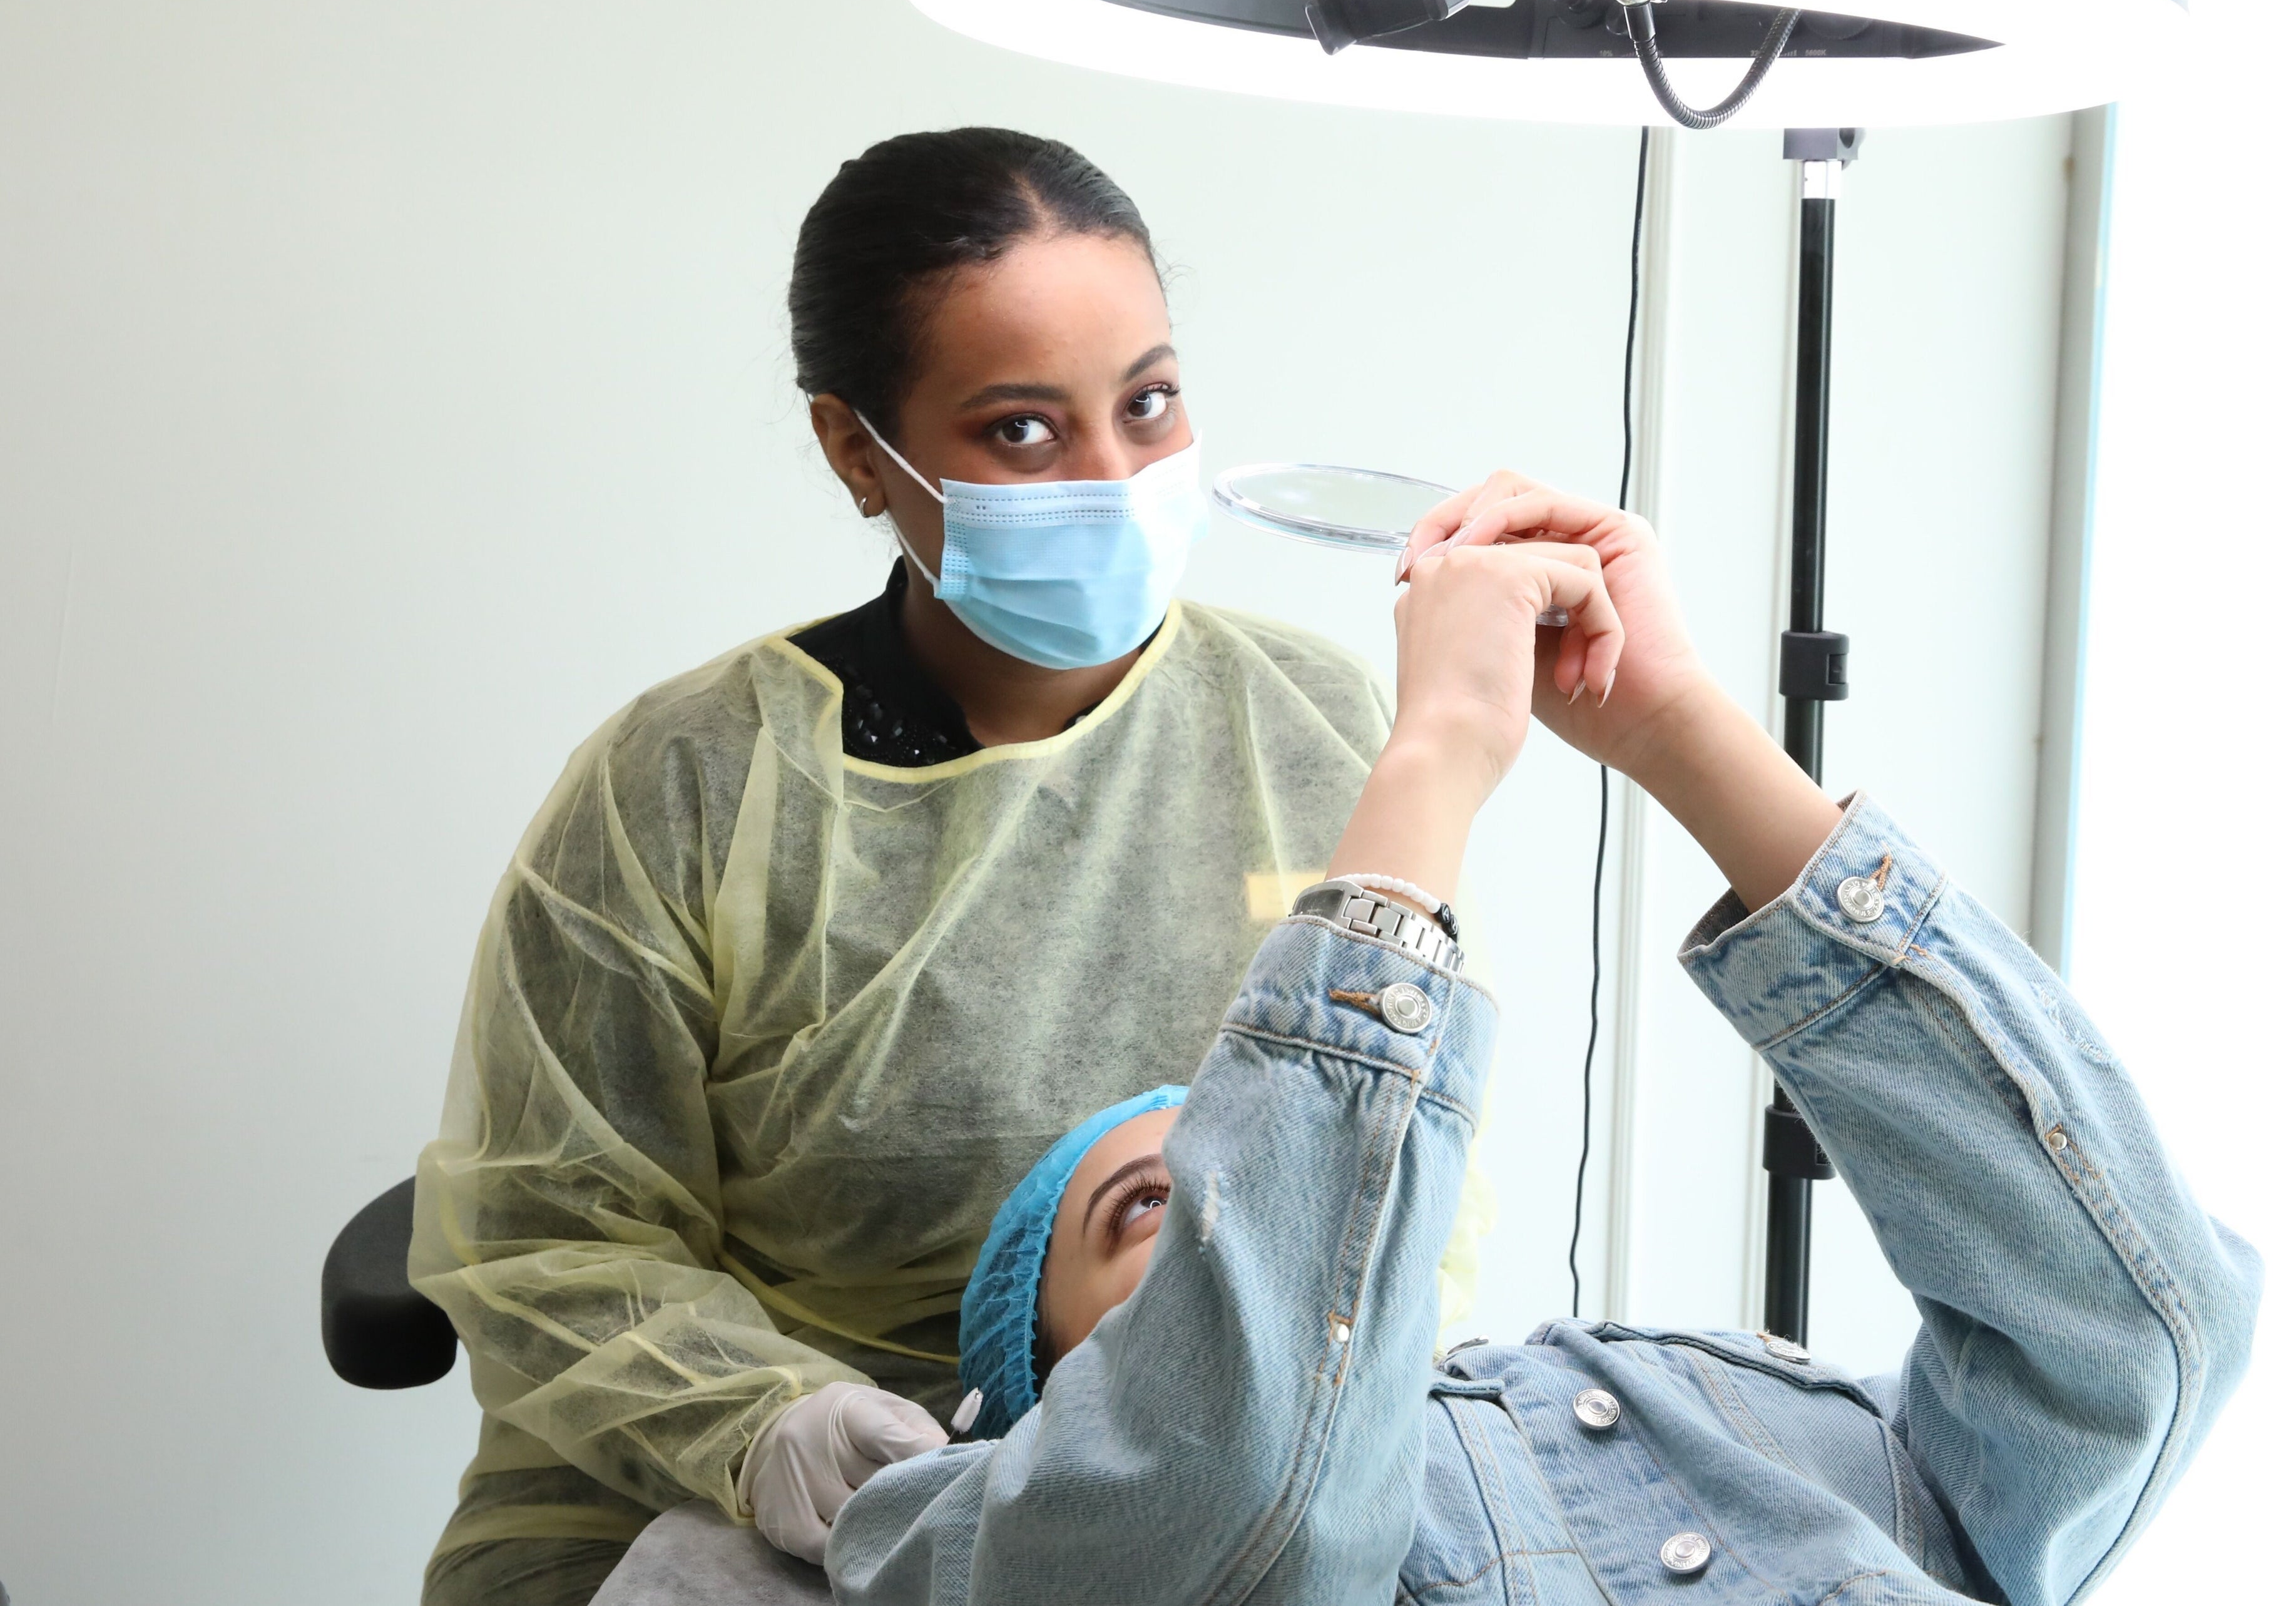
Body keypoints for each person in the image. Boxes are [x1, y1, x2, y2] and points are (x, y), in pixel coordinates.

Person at [817, 476, 2262, 1606]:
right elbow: (1241, 1476)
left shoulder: (1710, 1405)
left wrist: (1682, 729)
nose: (1265, 1193)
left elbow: (2135, 1335)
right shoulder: (964, 1529)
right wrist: (1435, 749)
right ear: (1023, 1399)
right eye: (1165, 1208)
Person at [407, 128, 1487, 1606]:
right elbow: (548, 1237)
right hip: (731, 1506)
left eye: (1149, 403)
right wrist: (764, 1424)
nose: (1114, 476)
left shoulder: (1316, 727)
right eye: (1024, 431)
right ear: (861, 448)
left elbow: (1394, 1168)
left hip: (1180, 1499)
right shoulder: (687, 788)